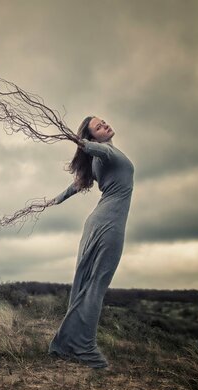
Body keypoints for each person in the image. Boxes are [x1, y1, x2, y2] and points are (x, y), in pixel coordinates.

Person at [47, 115, 134, 369]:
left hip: (97, 222)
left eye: (104, 121)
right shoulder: (104, 152)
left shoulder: (99, 160)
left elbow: (76, 185)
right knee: (95, 285)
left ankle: (67, 345)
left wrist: (54, 200)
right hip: (109, 225)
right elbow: (94, 150)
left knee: (87, 283)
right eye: (99, 126)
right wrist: (80, 141)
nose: (105, 124)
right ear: (92, 137)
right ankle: (85, 349)